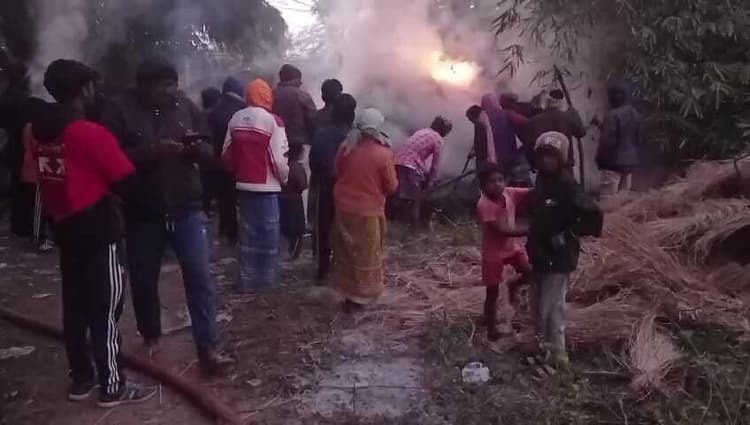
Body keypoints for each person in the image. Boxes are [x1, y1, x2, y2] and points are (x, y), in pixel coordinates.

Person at [33, 59, 155, 406]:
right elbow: (127, 180)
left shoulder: (38, 133)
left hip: (65, 228)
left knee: (74, 308)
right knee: (106, 309)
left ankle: (82, 379)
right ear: (84, 89)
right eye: (92, 87)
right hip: (100, 232)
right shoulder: (89, 133)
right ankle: (113, 385)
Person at [101, 57, 234, 374]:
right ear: (144, 86)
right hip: (142, 212)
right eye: (165, 86)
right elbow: (108, 157)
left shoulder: (185, 106)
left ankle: (208, 348)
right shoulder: (118, 110)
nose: (172, 91)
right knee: (143, 279)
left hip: (187, 207)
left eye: (174, 84)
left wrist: (197, 150)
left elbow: (209, 148)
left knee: (199, 278)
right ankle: (150, 335)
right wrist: (153, 151)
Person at [527, 133, 603, 367]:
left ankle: (559, 357)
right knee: (538, 307)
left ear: (561, 158)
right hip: (539, 254)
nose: (545, 161)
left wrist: (568, 233)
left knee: (552, 309)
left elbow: (593, 215)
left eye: (551, 156)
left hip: (558, 256)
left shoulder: (568, 186)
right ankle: (542, 349)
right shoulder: (542, 182)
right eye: (542, 156)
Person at [223, 79, 289, 292]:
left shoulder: (235, 118)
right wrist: (284, 178)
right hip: (267, 188)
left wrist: (239, 173)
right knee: (268, 239)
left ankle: (247, 281)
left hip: (243, 186)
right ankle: (266, 283)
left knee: (247, 237)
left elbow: (226, 154)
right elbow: (279, 159)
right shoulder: (273, 121)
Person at [333, 108, 398, 310]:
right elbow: (391, 186)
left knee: (347, 251)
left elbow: (337, 171)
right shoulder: (383, 154)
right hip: (368, 211)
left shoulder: (346, 147)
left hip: (344, 207)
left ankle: (347, 292)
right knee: (367, 254)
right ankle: (362, 297)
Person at [476, 164, 533, 341]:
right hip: (493, 253)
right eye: (492, 181)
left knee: (530, 272)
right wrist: (530, 230)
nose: (497, 184)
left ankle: (514, 285)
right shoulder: (484, 205)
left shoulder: (509, 193)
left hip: (513, 247)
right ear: (483, 186)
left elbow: (532, 192)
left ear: (506, 181)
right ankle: (491, 328)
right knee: (492, 292)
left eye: (500, 180)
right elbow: (501, 230)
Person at [310, 93, 357, 283]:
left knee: (323, 228)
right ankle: (346, 270)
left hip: (326, 188)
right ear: (352, 115)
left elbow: (313, 163)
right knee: (348, 230)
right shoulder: (355, 138)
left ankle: (322, 271)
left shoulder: (321, 134)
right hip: (350, 191)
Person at [207, 77, 246, 244]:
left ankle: (229, 233)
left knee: (226, 199)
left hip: (220, 161)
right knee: (244, 199)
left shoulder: (214, 110)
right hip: (241, 160)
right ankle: (244, 233)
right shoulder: (244, 109)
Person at [394, 116, 452, 231]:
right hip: (411, 166)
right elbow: (435, 165)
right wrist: (430, 183)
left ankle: (403, 224)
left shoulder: (422, 131)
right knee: (417, 199)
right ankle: (414, 229)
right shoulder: (438, 139)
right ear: (444, 130)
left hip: (398, 161)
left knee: (404, 196)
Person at [520, 89, 586, 177]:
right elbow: (581, 132)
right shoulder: (567, 118)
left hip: (543, 168)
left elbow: (528, 146)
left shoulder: (534, 121)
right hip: (565, 168)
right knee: (566, 186)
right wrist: (572, 110)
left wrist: (532, 164)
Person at [596, 81, 643, 200]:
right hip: (630, 163)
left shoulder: (612, 115)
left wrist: (599, 159)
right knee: (623, 201)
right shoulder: (636, 114)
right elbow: (637, 139)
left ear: (615, 96)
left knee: (607, 199)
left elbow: (607, 141)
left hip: (612, 164)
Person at [21, 97, 54, 252]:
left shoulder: (27, 126)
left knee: (34, 207)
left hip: (28, 170)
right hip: (36, 172)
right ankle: (39, 238)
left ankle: (37, 235)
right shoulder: (36, 128)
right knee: (39, 208)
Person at [482, 93, 532, 187]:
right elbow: (526, 124)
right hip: (510, 158)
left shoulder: (487, 117)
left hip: (495, 158)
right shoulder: (510, 116)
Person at [272, 64, 317, 150]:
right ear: (293, 79)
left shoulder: (270, 95)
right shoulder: (302, 96)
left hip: (275, 140)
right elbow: (313, 120)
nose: (301, 82)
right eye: (299, 79)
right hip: (296, 143)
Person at [281, 143, 308, 259]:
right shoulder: (297, 168)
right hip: (295, 200)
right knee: (296, 227)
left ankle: (287, 249)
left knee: (285, 225)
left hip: (282, 197)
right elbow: (303, 185)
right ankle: (294, 251)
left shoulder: (283, 165)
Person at [466, 105, 491, 169]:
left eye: (470, 118)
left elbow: (483, 144)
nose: (469, 120)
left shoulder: (481, 125)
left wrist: (474, 154)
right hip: (481, 158)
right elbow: (478, 141)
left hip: (484, 159)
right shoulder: (478, 124)